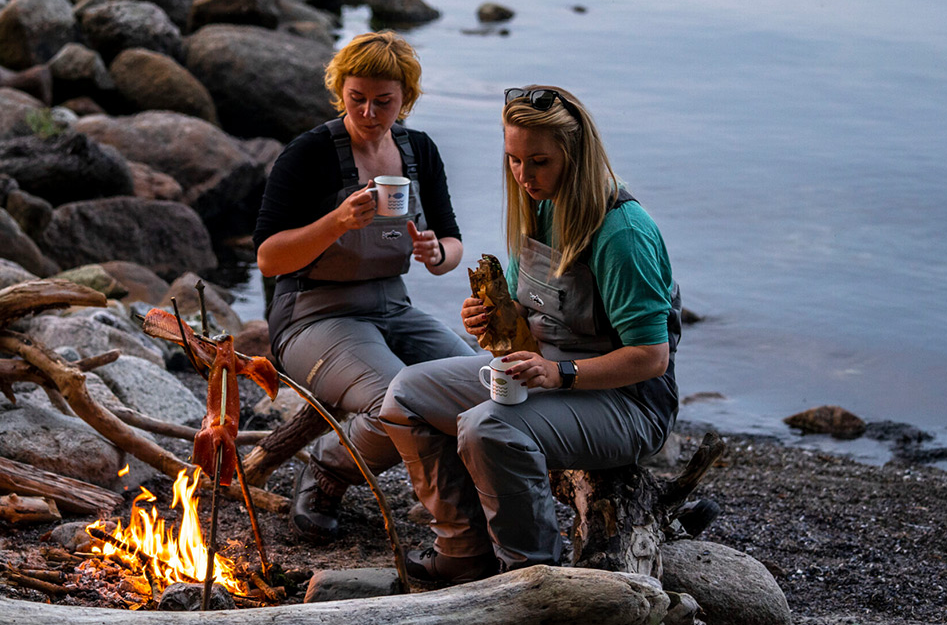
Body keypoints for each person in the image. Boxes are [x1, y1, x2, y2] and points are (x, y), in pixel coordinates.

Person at [379, 85, 682, 582]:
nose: (524, 176)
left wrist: (559, 373)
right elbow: (528, 304)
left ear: (576, 155)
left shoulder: (621, 233)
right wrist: (489, 315)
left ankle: (532, 572)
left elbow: (651, 357)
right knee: (405, 394)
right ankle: (463, 551)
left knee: (488, 427)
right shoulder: (539, 205)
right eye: (514, 160)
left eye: (539, 162)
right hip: (546, 371)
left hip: (628, 400)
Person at [253, 31, 474, 544]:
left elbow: (452, 241)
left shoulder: (419, 151)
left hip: (393, 307)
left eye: (384, 101)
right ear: (340, 91)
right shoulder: (309, 153)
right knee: (399, 400)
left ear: (406, 98)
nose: (369, 112)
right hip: (312, 315)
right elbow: (268, 258)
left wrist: (437, 254)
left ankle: (470, 491)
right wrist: (336, 222)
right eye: (357, 98)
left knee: (479, 383)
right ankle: (328, 471)